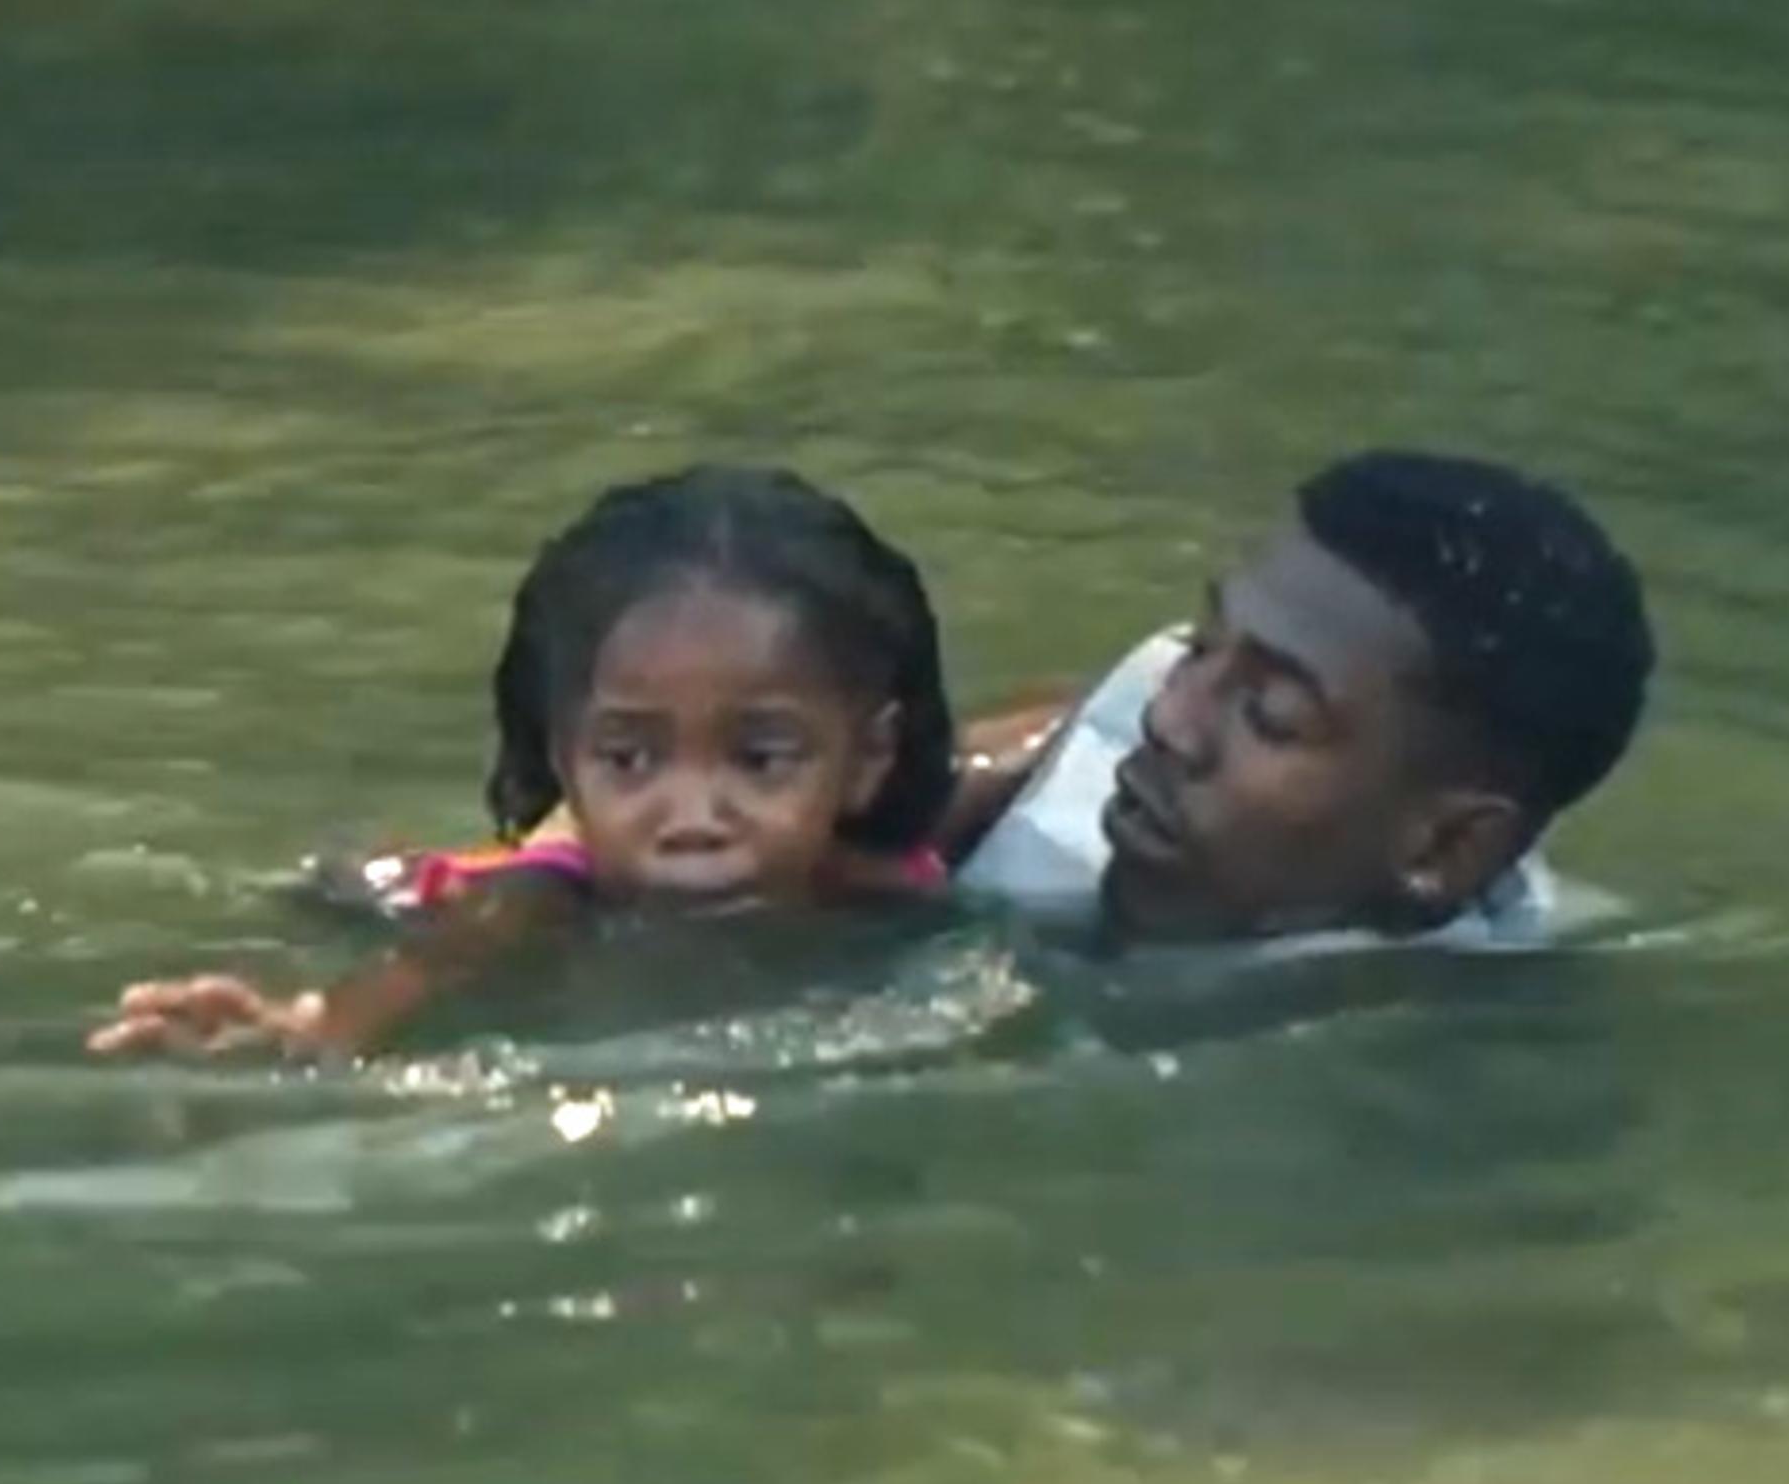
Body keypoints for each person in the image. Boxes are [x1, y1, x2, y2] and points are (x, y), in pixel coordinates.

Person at [90, 464, 958, 1057]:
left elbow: (1016, 748)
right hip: (461, 889)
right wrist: (307, 1027)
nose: (693, 815)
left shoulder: (884, 867)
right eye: (629, 759)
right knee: (384, 886)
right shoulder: (538, 906)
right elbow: (437, 963)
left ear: (866, 757)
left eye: (761, 759)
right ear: (563, 756)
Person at [943, 448, 1654, 952]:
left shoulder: (1441, 1081)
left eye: (1270, 715)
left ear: (1446, 846)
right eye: (1198, 648)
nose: (1166, 720)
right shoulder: (1086, 763)